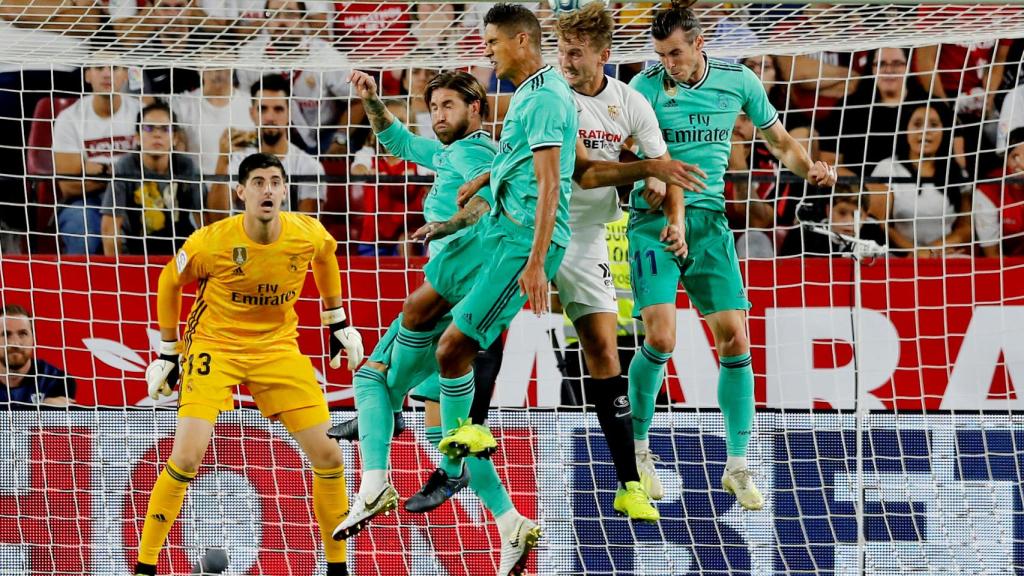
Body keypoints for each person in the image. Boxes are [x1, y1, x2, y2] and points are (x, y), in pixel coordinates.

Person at [626, 0, 836, 511]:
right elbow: (623, 150)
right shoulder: (643, 88)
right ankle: (636, 451)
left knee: (737, 338)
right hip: (652, 224)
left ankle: (738, 465)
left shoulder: (739, 81)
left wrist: (809, 169)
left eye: (675, 53)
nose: (667, 63)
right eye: (660, 54)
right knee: (660, 335)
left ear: (700, 44)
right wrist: (648, 172)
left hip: (711, 225)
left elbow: (780, 141)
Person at [331, 68, 537, 576]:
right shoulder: (449, 152)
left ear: (476, 110)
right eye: (435, 107)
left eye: (450, 106)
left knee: (372, 377)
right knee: (446, 428)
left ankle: (375, 478)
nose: (440, 116)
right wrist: (374, 101)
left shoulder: (484, 153)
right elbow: (398, 140)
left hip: (462, 291)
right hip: (457, 287)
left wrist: (448, 223)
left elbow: (486, 202)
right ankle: (510, 522)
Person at [133, 153, 363, 576]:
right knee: (186, 457)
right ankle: (145, 566)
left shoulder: (305, 233)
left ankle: (337, 568)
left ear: (285, 190)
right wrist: (168, 351)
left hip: (277, 349)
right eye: (258, 182)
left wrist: (337, 319)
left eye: (275, 181)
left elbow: (326, 256)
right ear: (241, 191)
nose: (268, 190)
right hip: (214, 346)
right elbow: (169, 279)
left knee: (330, 455)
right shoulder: (211, 242)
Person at [555, 2, 677, 521]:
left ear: (604, 55)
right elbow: (583, 174)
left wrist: (664, 196)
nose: (566, 62)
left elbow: (665, 166)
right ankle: (445, 429)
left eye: (577, 54)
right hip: (530, 224)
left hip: (585, 235)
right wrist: (644, 168)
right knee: (476, 326)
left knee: (604, 348)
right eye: (561, 51)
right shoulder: (547, 96)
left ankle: (629, 481)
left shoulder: (629, 103)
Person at [209, 74, 326, 217]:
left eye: (278, 109)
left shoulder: (309, 167)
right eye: (263, 109)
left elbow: (306, 232)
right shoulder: (239, 160)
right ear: (252, 113)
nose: (270, 117)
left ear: (290, 114)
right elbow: (217, 219)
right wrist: (223, 160)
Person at [52, 64, 140, 254]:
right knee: (83, 230)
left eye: (115, 68)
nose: (107, 74)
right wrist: (123, 174)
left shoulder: (142, 113)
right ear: (87, 75)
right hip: (86, 201)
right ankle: (78, 283)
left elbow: (154, 169)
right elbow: (68, 186)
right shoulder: (69, 118)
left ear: (125, 75)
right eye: (99, 68)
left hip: (135, 198)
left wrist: (101, 172)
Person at [100, 102, 204, 256]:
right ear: (137, 137)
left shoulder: (186, 166)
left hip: (180, 251)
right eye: (148, 128)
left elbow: (204, 219)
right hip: (136, 250)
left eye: (165, 129)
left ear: (175, 137)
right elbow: (109, 228)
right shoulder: (125, 166)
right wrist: (118, 271)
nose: (157, 134)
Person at [869, 102, 972, 257]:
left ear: (944, 131)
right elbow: (878, 224)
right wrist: (915, 252)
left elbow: (966, 228)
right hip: (898, 255)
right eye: (917, 124)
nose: (925, 131)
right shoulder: (888, 168)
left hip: (942, 255)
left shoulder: (957, 172)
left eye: (934, 125)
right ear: (906, 131)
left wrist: (932, 251)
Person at [171, 66, 256, 178]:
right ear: (198, 63)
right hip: (197, 189)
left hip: (245, 188)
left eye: (222, 49)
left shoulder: (253, 103)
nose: (216, 56)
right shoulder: (181, 105)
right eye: (211, 49)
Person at [778, 185, 886, 257]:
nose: (849, 221)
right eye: (842, 213)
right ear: (828, 210)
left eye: (857, 215)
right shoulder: (805, 234)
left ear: (866, 216)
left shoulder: (874, 234)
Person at [0, 305, 76, 407]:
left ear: (33, 338)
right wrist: (42, 411)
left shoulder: (58, 381)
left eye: (22, 334)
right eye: (6, 334)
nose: (15, 343)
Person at [975, 127, 1024, 257]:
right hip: (1003, 266)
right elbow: (992, 254)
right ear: (1006, 158)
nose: (1020, 164)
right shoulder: (989, 189)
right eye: (1015, 156)